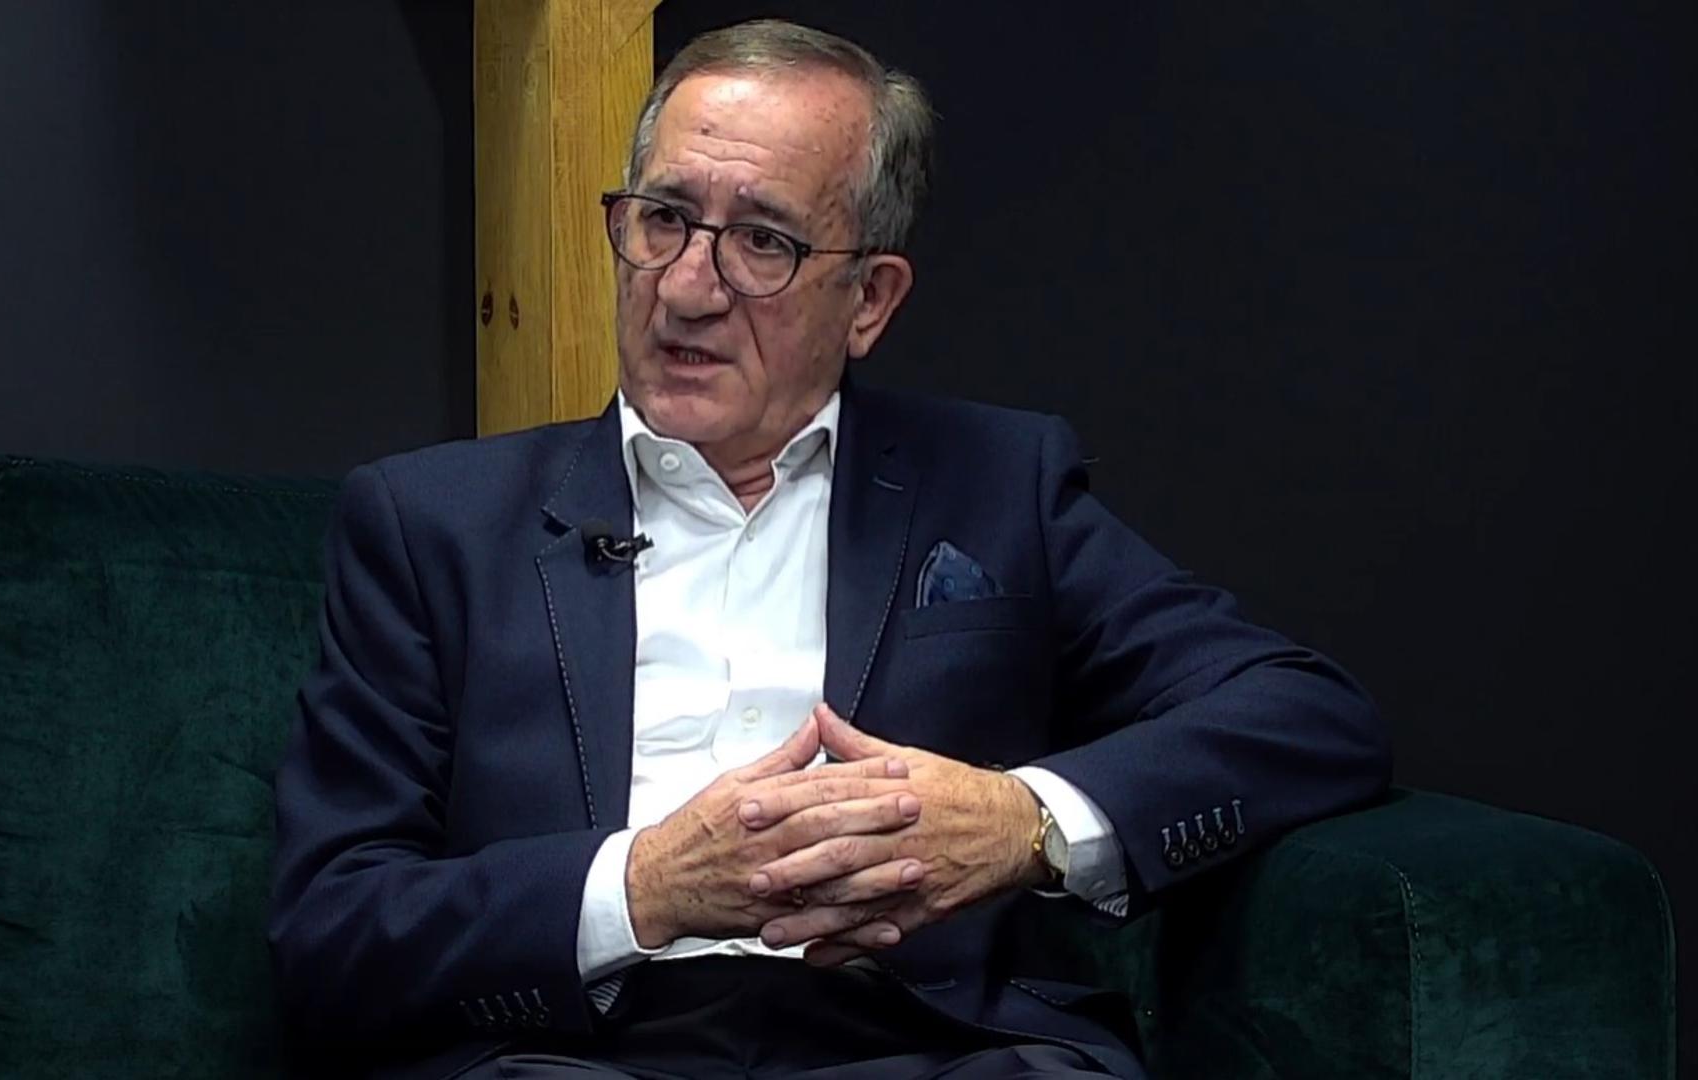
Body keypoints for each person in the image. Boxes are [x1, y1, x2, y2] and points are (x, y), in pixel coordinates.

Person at [270, 18, 1388, 1079]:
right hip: (570, 1049)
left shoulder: (997, 486)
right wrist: (642, 886)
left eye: (762, 241)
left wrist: (1024, 823)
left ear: (869, 301)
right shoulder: (432, 524)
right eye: (663, 219)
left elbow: (1304, 715)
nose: (688, 289)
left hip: (931, 1045)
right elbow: (329, 929)